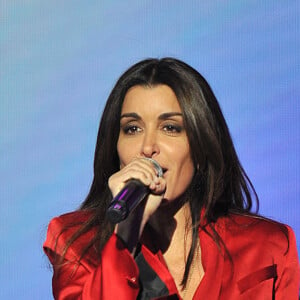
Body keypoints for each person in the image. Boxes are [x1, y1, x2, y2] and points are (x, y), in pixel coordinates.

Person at [43, 57, 299, 299]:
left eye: (170, 128)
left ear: (200, 146)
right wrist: (126, 234)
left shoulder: (268, 244)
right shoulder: (77, 243)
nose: (147, 146)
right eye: (132, 128)